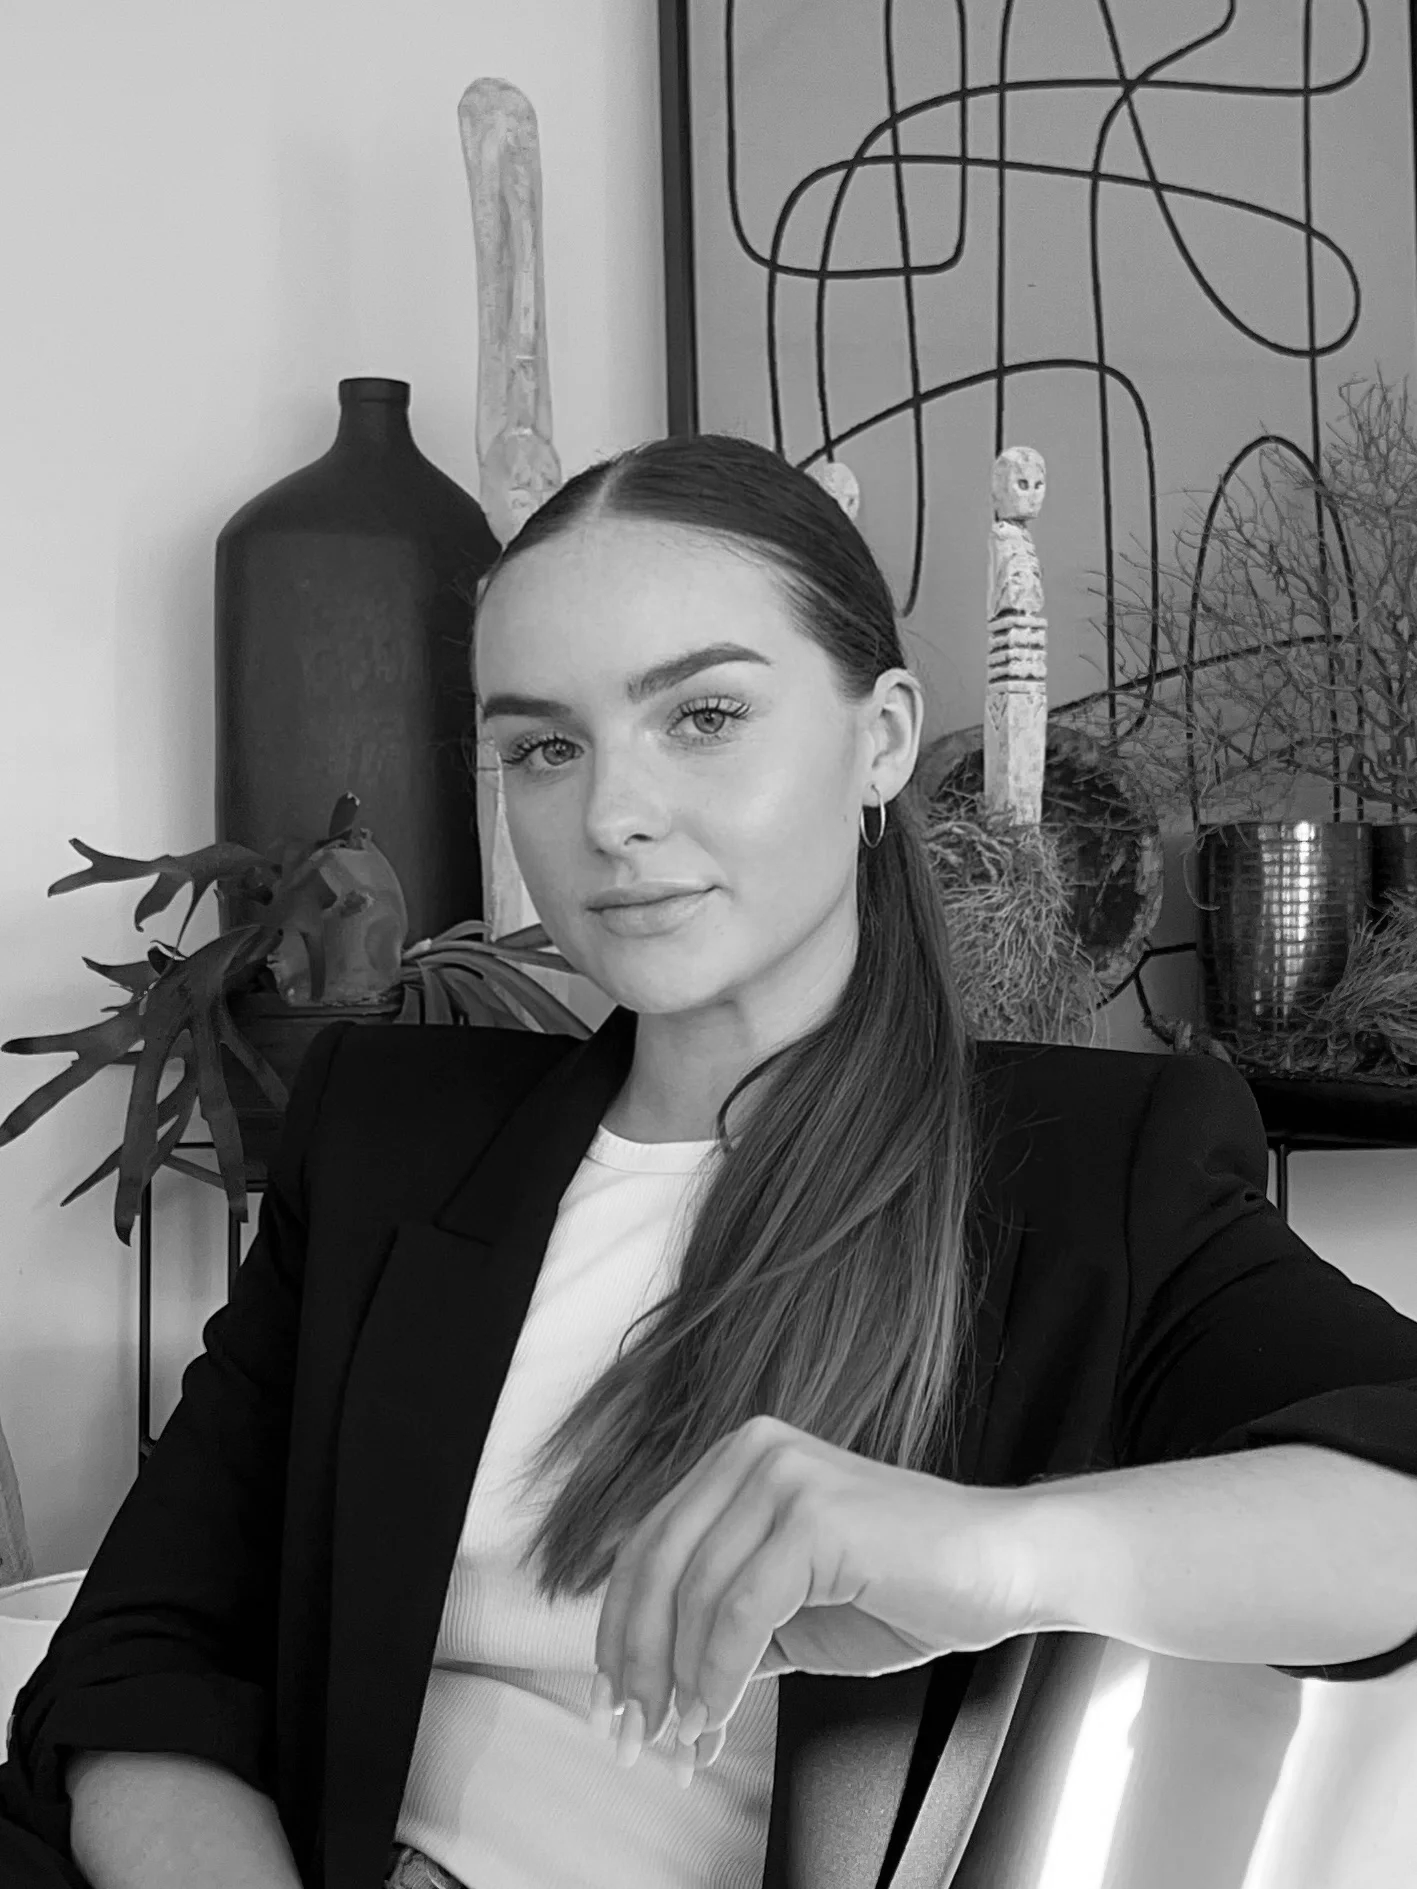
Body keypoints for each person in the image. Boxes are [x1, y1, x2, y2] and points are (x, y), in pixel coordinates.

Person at [3, 431, 1417, 1889]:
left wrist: (990, 1556)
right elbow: (147, 1652)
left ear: (880, 741)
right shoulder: (389, 1137)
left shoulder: (1085, 1171)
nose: (611, 815)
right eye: (544, 745)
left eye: (704, 716)